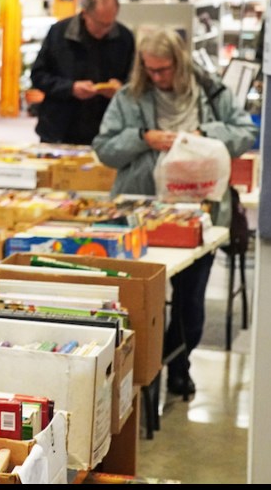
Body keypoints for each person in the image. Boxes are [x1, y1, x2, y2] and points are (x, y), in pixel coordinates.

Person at [92, 28, 258, 397]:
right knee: (136, 298)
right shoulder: (129, 96)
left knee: (189, 300)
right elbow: (104, 148)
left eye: (164, 69)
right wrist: (143, 138)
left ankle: (177, 366)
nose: (157, 77)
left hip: (199, 213)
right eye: (150, 70)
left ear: (179, 64)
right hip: (140, 210)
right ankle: (141, 375)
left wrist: (204, 133)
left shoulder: (211, 93)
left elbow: (245, 132)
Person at [31, 0, 136, 145]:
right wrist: (70, 88)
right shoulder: (59, 33)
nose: (105, 30)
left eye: (110, 24)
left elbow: (136, 80)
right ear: (85, 14)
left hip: (107, 129)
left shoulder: (124, 37)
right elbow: (38, 76)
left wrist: (121, 89)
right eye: (100, 24)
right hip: (59, 127)